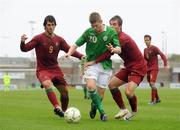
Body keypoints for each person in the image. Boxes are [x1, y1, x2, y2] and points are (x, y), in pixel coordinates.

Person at [20, 15, 84, 117]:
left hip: (55, 69)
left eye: (53, 25)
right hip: (42, 70)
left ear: (55, 26)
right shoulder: (38, 38)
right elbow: (25, 49)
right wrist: (22, 42)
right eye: (49, 25)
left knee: (65, 93)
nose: (51, 27)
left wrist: (81, 56)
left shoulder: (59, 40)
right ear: (44, 26)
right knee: (47, 84)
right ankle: (56, 107)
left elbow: (69, 49)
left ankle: (64, 112)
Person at [87, 15, 147, 120]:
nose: (111, 26)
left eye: (114, 24)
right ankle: (123, 109)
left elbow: (107, 54)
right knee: (112, 85)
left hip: (138, 67)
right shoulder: (113, 37)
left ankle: (133, 111)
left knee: (128, 92)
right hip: (128, 67)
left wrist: (94, 61)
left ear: (120, 26)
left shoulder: (123, 38)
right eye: (110, 24)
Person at [65, 12, 121, 121]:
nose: (95, 28)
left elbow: (119, 48)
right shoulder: (88, 33)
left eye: (97, 25)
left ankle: (94, 106)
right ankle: (102, 113)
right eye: (93, 26)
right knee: (90, 87)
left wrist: (114, 49)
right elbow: (76, 44)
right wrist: (69, 53)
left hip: (105, 66)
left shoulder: (111, 32)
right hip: (90, 64)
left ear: (101, 21)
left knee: (100, 96)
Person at [144, 34, 168, 105]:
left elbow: (162, 55)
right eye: (145, 40)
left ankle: (153, 100)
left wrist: (165, 65)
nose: (146, 41)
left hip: (154, 68)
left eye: (148, 40)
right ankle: (157, 98)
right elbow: (144, 60)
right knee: (151, 85)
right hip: (148, 69)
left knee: (152, 83)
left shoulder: (154, 48)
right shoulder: (145, 50)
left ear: (150, 40)